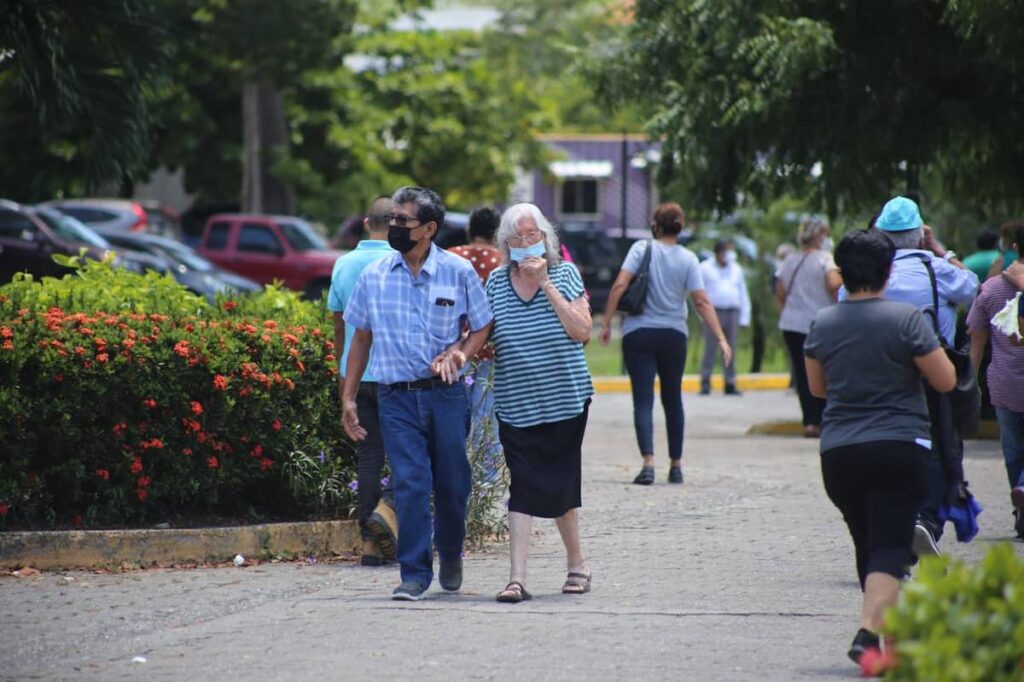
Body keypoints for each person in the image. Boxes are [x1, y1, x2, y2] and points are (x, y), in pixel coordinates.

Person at [803, 229, 955, 668]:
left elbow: (818, 389)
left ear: (843, 274)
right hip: (898, 447)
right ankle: (869, 634)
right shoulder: (906, 319)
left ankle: (880, 644)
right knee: (889, 546)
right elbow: (944, 380)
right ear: (888, 271)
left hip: (840, 454)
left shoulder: (823, 322)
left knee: (869, 544)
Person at [341, 186, 494, 601]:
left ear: (428, 228)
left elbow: (481, 325)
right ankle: (413, 572)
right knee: (410, 483)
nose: (394, 227)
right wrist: (349, 396)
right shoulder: (375, 276)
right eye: (392, 219)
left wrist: (460, 354)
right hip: (395, 398)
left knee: (452, 483)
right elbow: (360, 338)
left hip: (445, 396)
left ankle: (451, 552)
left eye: (403, 221)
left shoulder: (457, 272)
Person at [485, 203, 594, 603]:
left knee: (561, 483)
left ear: (546, 239)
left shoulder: (564, 274)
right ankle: (516, 579)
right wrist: (461, 353)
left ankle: (577, 563)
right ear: (505, 244)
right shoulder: (496, 283)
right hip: (517, 405)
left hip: (565, 401)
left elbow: (581, 331)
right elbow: (482, 333)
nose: (526, 243)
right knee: (524, 485)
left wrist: (545, 284)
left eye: (534, 236)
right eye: (518, 237)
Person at [865, 196, 978, 555]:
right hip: (933, 373)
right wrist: (938, 248)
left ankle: (891, 520)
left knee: (886, 446)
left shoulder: (871, 272)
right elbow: (973, 286)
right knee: (937, 448)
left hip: (881, 375)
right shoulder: (935, 269)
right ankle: (926, 521)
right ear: (918, 235)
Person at [600, 202, 732, 486]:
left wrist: (608, 321)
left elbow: (620, 285)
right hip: (674, 335)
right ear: (680, 227)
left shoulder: (641, 249)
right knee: (673, 399)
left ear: (655, 226)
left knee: (643, 399)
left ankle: (648, 463)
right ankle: (676, 465)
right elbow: (701, 301)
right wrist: (721, 337)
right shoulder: (689, 259)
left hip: (639, 333)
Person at [327, 195, 398, 567]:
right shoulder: (400, 262)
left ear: (368, 223)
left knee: (369, 458)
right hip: (393, 373)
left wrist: (344, 383)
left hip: (356, 374)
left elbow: (340, 328)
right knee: (409, 453)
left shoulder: (343, 264)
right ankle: (386, 515)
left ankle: (370, 543)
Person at [967, 221, 1024, 539]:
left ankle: (1020, 507)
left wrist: (969, 384)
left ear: (1015, 248)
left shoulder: (991, 289)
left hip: (1004, 384)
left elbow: (976, 342)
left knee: (1013, 450)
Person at [448, 207, 505, 482]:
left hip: (456, 347)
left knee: (456, 414)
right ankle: (487, 478)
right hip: (491, 350)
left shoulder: (452, 256)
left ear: (470, 229)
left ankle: (455, 471)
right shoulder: (502, 260)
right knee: (486, 415)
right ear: (496, 233)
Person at [775, 217, 842, 438]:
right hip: (820, 322)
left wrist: (789, 311)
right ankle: (823, 419)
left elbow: (780, 291)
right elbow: (833, 285)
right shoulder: (825, 260)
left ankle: (810, 423)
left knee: (802, 374)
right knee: (824, 371)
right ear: (818, 236)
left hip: (792, 325)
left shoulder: (789, 260)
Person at [698, 239, 751, 395]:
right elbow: (700, 293)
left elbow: (742, 293)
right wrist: (702, 315)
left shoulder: (736, 269)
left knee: (730, 348)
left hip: (732, 312)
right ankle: (705, 382)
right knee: (710, 348)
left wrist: (744, 317)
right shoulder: (706, 268)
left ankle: (729, 382)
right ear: (717, 253)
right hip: (713, 312)